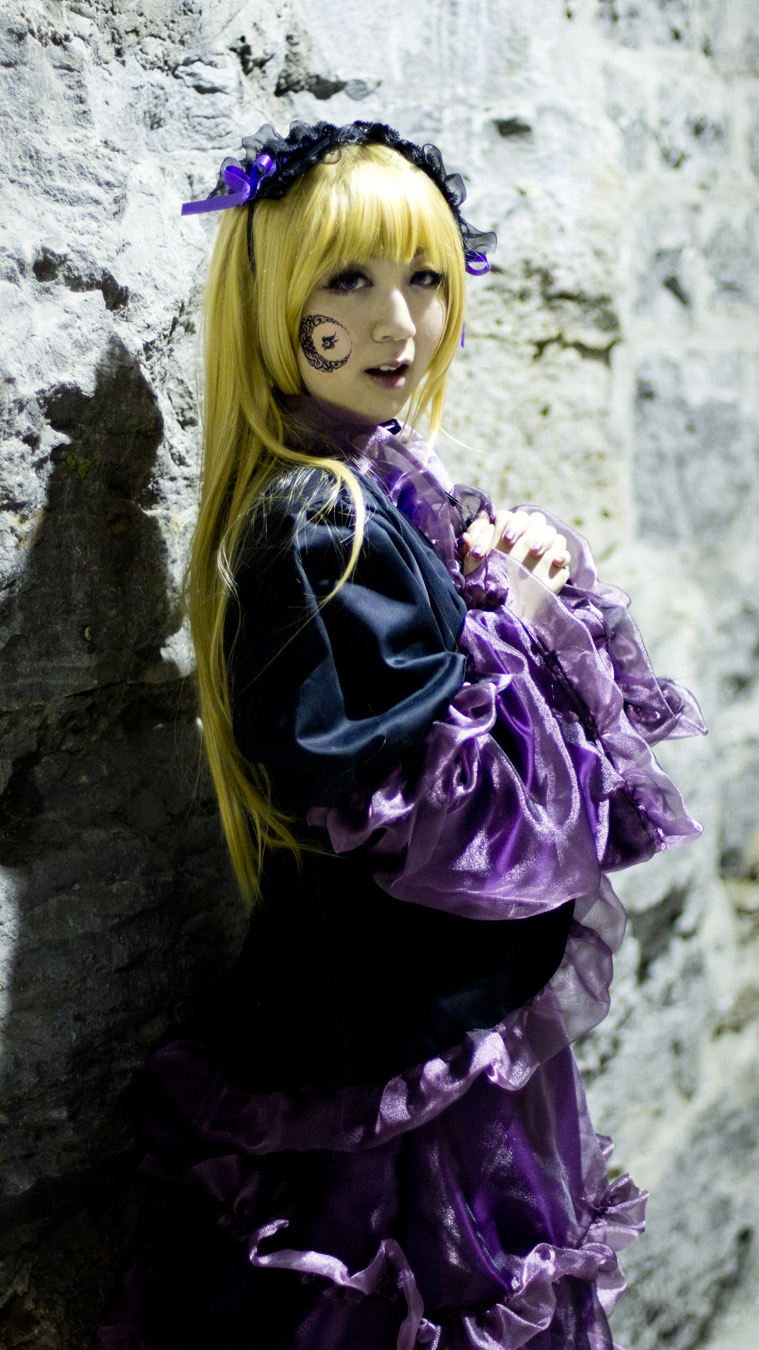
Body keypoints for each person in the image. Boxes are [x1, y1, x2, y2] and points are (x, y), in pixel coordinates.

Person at [99, 120, 705, 1350]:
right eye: (348, 280)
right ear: (276, 301)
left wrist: (510, 573)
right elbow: (464, 820)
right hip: (390, 1056)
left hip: (422, 1031)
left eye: (425, 276)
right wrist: (519, 623)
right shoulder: (320, 523)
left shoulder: (376, 484)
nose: (398, 324)